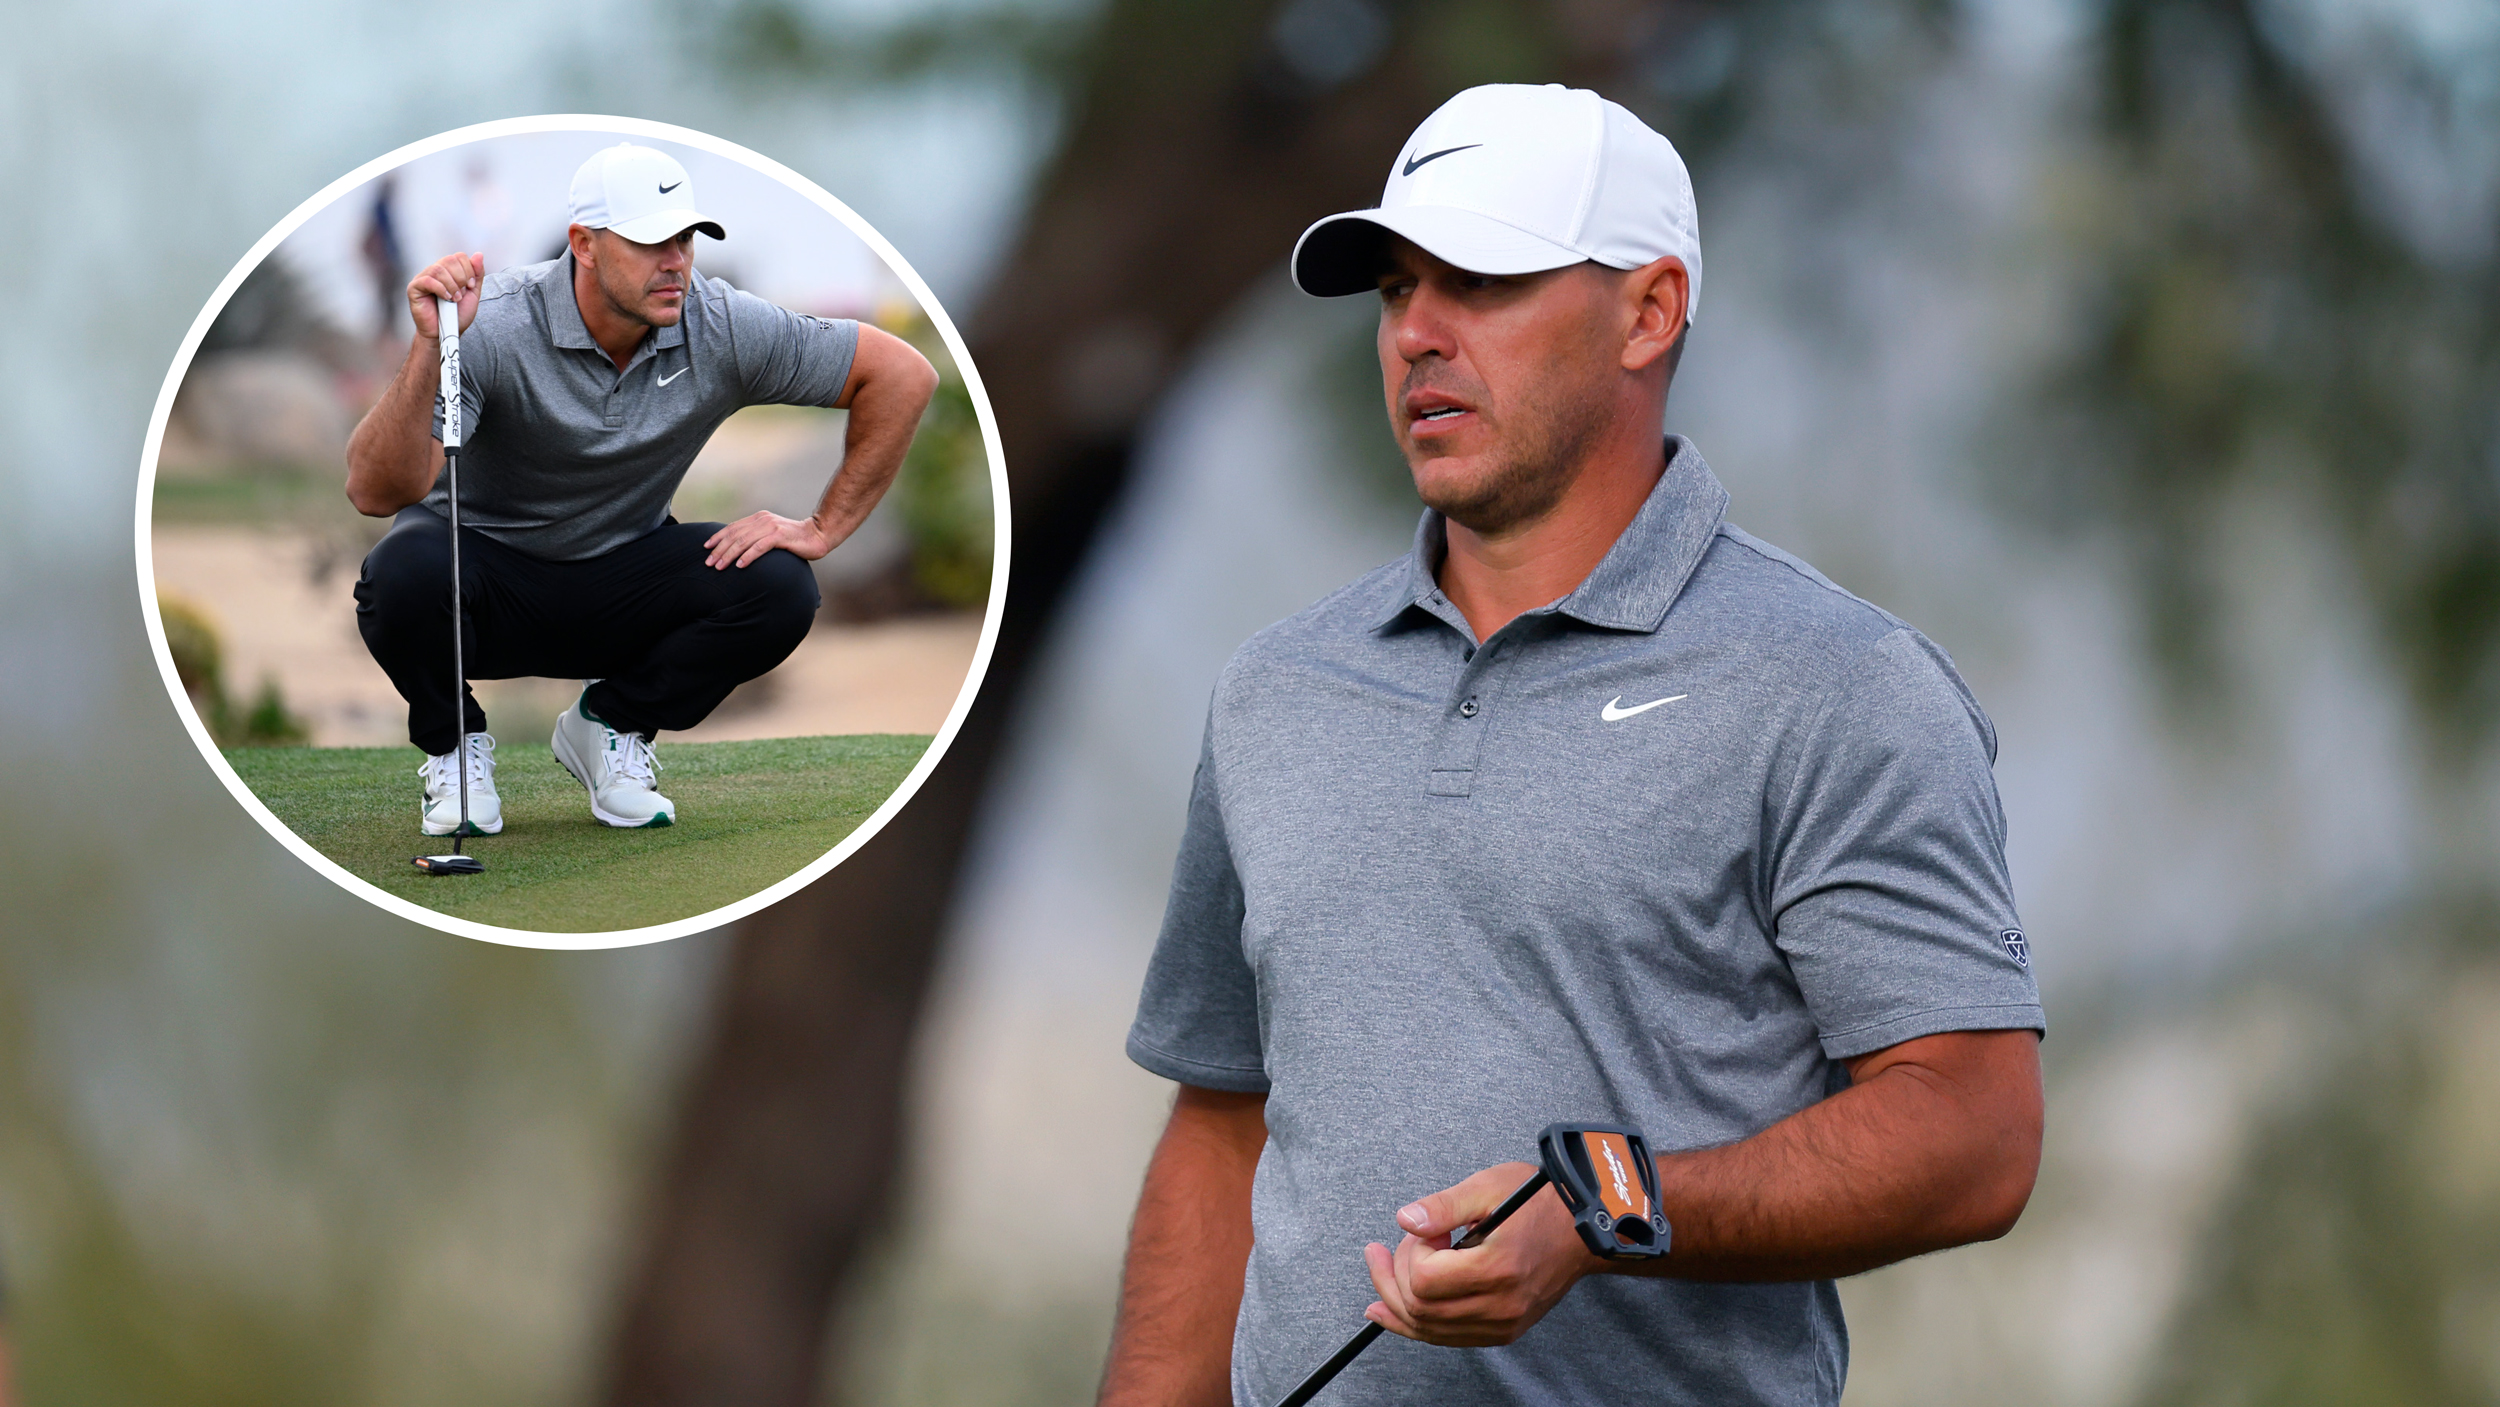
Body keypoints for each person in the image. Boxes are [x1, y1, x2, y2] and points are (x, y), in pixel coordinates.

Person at [1107, 84, 2045, 1407]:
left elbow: (1975, 1130)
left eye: (1479, 282)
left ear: (1649, 311)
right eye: (1393, 289)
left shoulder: (1838, 683)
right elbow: (1223, 1117)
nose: (1416, 336)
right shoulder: (1279, 689)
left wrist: (1609, 1203)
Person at [344, 142, 937, 832]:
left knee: (779, 584)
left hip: (622, 584)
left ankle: (611, 724)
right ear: (584, 245)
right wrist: (428, 346)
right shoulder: (493, 324)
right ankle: (453, 747)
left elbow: (902, 375)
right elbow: (374, 489)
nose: (676, 261)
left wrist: (821, 528)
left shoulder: (718, 324)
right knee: (400, 573)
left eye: (684, 238)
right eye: (651, 241)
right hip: (480, 586)